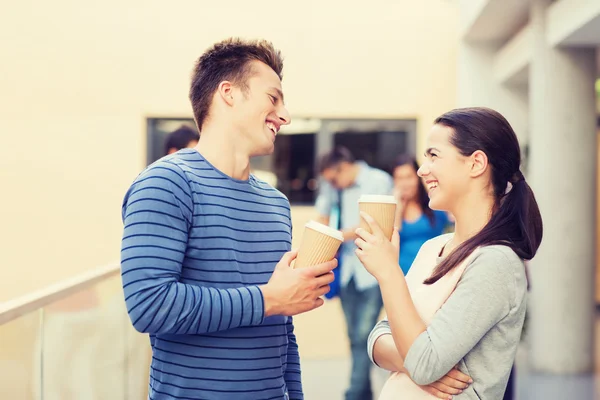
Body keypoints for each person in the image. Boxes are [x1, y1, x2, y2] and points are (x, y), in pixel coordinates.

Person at [120, 38, 338, 400]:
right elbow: (149, 305)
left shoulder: (276, 203)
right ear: (228, 93)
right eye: (273, 98)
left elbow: (282, 332)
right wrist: (269, 298)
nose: (284, 115)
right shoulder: (166, 183)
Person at [358, 107, 543, 399]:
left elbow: (424, 362)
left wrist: (388, 272)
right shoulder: (432, 248)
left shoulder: (496, 261)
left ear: (476, 163)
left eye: (434, 155)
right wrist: (415, 364)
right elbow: (377, 338)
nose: (421, 170)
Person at [315, 146, 393, 400]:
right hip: (347, 273)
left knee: (363, 335)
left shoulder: (378, 181)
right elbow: (322, 216)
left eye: (334, 179)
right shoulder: (332, 185)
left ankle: (352, 394)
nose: (332, 184)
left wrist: (337, 236)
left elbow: (374, 226)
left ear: (344, 168)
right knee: (354, 337)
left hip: (371, 271)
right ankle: (364, 394)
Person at [392, 154, 451, 275]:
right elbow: (392, 238)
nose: (405, 183)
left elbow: (454, 218)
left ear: (418, 178)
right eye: (399, 178)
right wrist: (398, 207)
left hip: (433, 272)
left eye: (409, 177)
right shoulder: (393, 209)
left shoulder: (434, 203)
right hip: (403, 274)